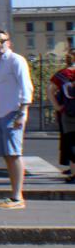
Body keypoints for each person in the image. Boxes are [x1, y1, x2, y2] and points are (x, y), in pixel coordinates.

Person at [0, 28, 34, 209]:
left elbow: (26, 86)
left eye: (1, 40)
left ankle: (17, 197)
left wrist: (22, 112)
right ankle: (14, 194)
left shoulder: (16, 60)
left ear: (9, 42)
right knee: (7, 156)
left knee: (14, 154)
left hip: (12, 113)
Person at [49, 47, 75, 183]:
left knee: (70, 143)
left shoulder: (62, 74)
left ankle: (74, 173)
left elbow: (50, 91)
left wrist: (57, 107)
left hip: (68, 112)